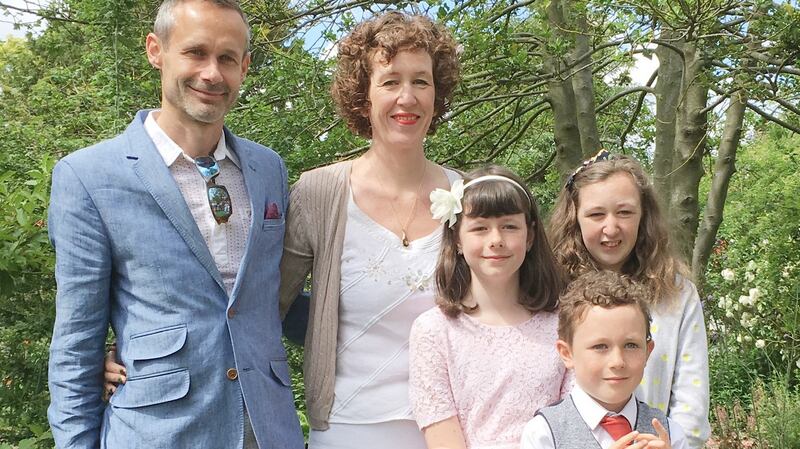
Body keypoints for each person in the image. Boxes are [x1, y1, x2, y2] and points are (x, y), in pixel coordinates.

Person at [46, 0, 303, 447]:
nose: (212, 73)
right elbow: (74, 343)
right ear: (155, 50)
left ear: (244, 66)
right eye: (195, 52)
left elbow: (264, 299)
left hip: (267, 430)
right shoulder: (89, 176)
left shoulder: (268, 169)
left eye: (227, 58)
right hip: (158, 432)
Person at [276, 11, 461, 449]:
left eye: (421, 81)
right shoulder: (318, 193)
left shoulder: (468, 195)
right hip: (345, 428)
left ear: (438, 95)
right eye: (390, 81)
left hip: (453, 428)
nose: (407, 97)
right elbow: (265, 309)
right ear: (363, 97)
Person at [547, 151, 710, 448]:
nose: (611, 228)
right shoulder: (550, 292)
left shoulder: (676, 296)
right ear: (575, 218)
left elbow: (691, 406)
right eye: (597, 215)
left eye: (624, 212)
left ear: (643, 216)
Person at [408, 166, 569, 449]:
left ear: (529, 236)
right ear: (457, 239)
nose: (496, 240)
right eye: (480, 228)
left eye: (509, 226)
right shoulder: (434, 331)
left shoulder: (564, 324)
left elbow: (576, 423)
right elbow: (443, 436)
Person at [521, 270, 687, 449]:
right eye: (600, 346)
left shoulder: (670, 433)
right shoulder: (543, 434)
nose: (617, 362)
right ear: (567, 354)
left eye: (630, 345)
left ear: (648, 351)